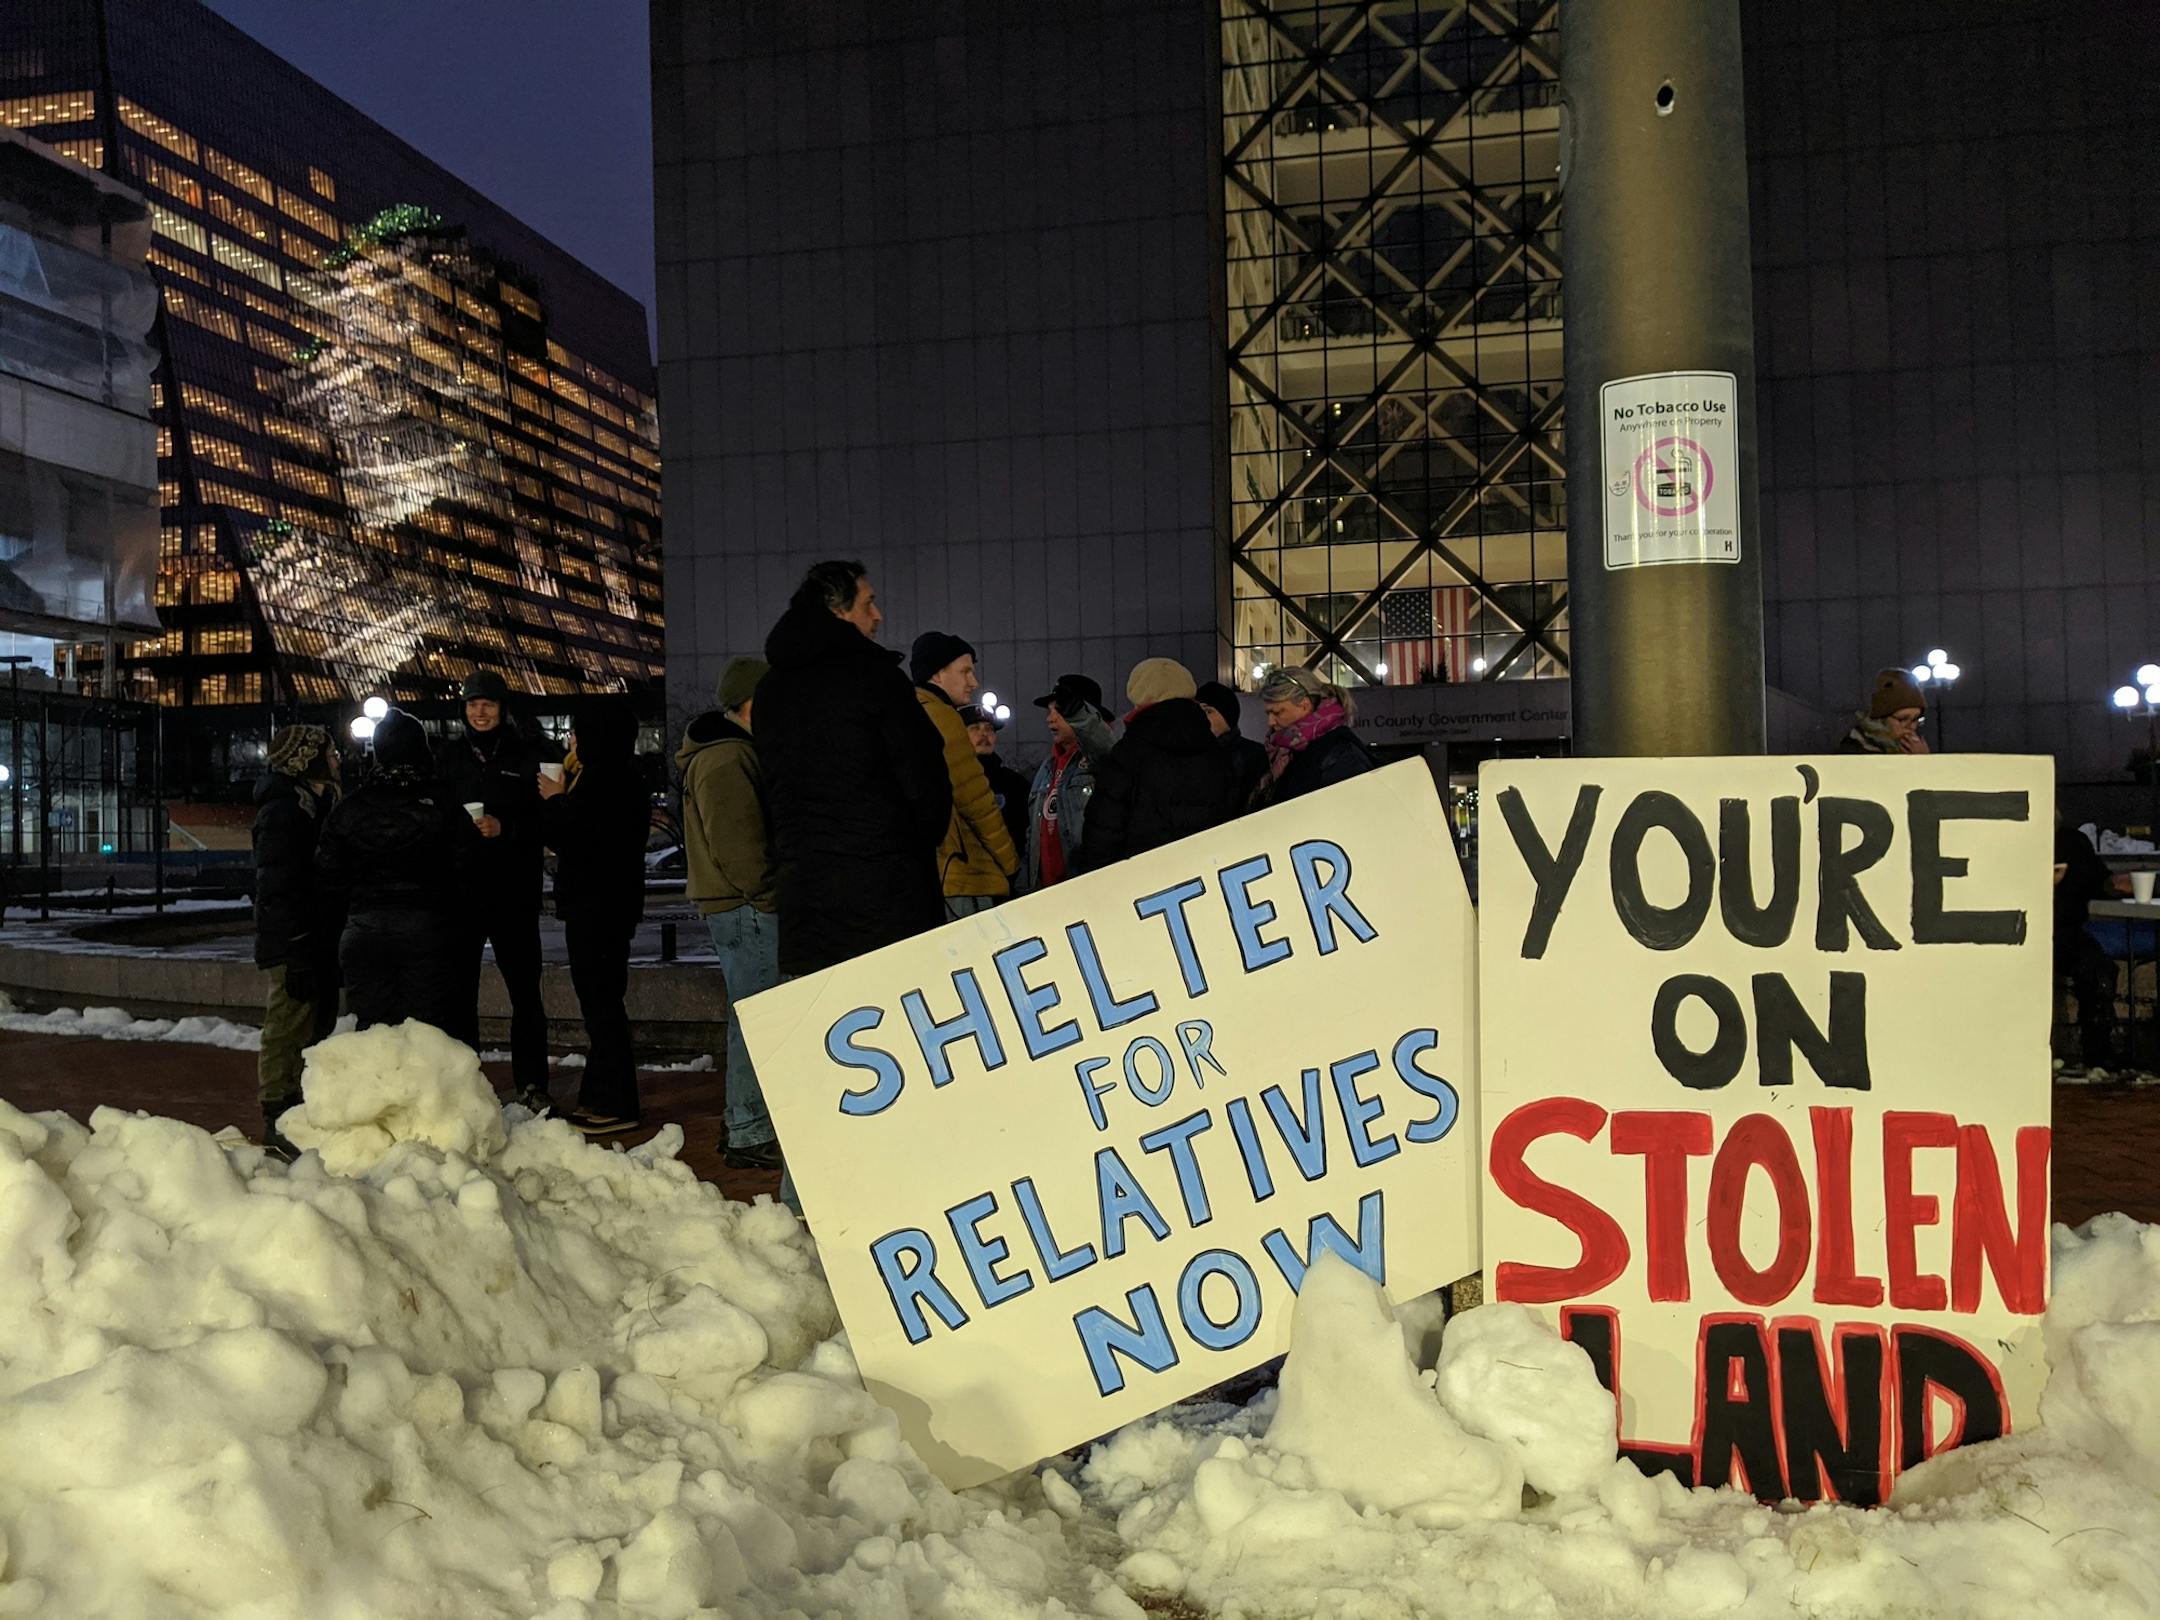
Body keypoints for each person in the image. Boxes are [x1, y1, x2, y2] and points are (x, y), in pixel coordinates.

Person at [753, 560, 951, 976]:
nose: (877, 615)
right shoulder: (875, 678)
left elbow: (772, 793)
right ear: (836, 609)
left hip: (806, 900)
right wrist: (909, 849)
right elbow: (924, 780)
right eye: (868, 602)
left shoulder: (771, 690)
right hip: (884, 899)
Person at [678, 656, 782, 1168]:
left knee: (750, 1016)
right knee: (758, 1018)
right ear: (751, 701)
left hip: (736, 903)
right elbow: (740, 847)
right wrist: (766, 896)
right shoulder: (727, 758)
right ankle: (748, 1129)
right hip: (745, 905)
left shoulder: (723, 753)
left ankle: (743, 1122)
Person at [315, 710, 478, 1033]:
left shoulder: (350, 807)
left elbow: (328, 874)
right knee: (426, 1028)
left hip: (364, 926)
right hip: (426, 926)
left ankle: (378, 1083)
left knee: (374, 1030)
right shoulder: (442, 803)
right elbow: (467, 866)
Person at [537, 695, 653, 1136]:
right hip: (607, 907)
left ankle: (616, 1102)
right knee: (602, 1005)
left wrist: (555, 799)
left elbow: (577, 838)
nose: (572, 740)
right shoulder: (619, 777)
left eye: (577, 733)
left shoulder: (605, 782)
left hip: (597, 909)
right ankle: (598, 1097)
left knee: (601, 1006)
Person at [437, 669, 549, 1108]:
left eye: (488, 704)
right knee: (459, 994)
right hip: (463, 891)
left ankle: (532, 1083)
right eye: (472, 704)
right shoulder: (449, 756)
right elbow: (438, 816)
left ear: (503, 708)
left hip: (514, 891)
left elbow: (545, 819)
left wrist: (508, 827)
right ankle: (467, 1085)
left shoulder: (527, 753)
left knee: (525, 992)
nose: (479, 712)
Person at [252, 724, 341, 1155]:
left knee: (314, 1021)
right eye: (331, 751)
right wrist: (298, 941)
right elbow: (279, 886)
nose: (338, 757)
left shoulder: (320, 802)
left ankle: (299, 1104)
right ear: (307, 759)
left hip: (316, 935)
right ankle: (277, 1109)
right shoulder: (284, 811)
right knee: (288, 1023)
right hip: (294, 940)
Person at [1080, 657, 1238, 869]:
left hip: (1140, 879)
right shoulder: (1215, 752)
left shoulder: (1129, 752)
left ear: (1139, 697)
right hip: (1202, 874)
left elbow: (1104, 826)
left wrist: (1094, 876)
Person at [911, 631, 1021, 916]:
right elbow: (977, 804)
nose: (974, 682)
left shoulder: (910, 711)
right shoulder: (942, 717)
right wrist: (1011, 866)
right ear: (937, 674)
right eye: (965, 671)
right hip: (962, 879)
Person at [1027, 674, 1116, 890]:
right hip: (1047, 893)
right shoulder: (1046, 768)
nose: (1050, 718)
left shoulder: (1098, 760)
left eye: (1060, 710)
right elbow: (1032, 834)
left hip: (1086, 888)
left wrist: (1079, 715)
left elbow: (1105, 749)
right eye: (1049, 711)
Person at [2055, 819, 2128, 1074]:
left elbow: (2098, 882)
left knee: (2099, 970)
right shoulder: (2016, 843)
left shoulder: (2072, 842)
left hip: (2065, 932)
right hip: (2024, 927)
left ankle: (2097, 1055)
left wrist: (2119, 884)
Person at [1252, 665, 1377, 808]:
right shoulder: (1288, 751)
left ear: (1304, 705)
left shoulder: (1338, 753)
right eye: (1268, 714)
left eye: (1278, 712)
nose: (1270, 722)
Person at [963, 702, 1030, 857]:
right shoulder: (950, 780)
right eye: (975, 728)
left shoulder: (1014, 784)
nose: (984, 734)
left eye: (989, 729)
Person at [1196, 679, 1268, 809]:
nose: (1201, 717)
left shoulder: (1253, 755)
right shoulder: (1193, 753)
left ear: (1227, 715)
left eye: (1208, 711)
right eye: (1197, 711)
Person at [1840, 669, 1929, 755]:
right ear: (1881, 719)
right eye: (1903, 719)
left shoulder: (1910, 749)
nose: (1912, 727)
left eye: (1916, 719)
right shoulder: (1855, 749)